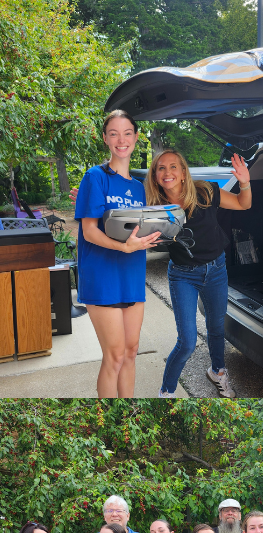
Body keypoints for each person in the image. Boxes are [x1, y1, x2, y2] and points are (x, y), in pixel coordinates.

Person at [147, 149, 251, 398]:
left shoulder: (205, 191)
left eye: (173, 166)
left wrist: (245, 183)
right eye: (161, 168)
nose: (168, 172)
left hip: (216, 269)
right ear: (155, 176)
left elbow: (242, 203)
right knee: (187, 342)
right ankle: (167, 391)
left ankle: (218, 371)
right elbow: (124, 218)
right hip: (183, 275)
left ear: (183, 172)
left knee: (216, 329)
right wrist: (91, 205)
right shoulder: (154, 206)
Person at [74, 110, 162, 397]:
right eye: (114, 133)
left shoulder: (140, 187)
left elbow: (140, 228)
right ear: (105, 139)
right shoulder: (95, 177)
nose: (121, 140)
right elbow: (89, 231)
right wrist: (124, 246)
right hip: (102, 275)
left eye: (127, 133)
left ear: (136, 138)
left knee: (131, 351)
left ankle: (127, 414)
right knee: (113, 355)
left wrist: (152, 238)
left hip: (131, 274)